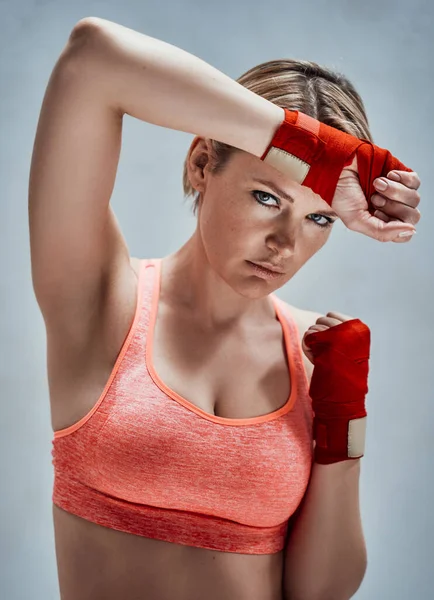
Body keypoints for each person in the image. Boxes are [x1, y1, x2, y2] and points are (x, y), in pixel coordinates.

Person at [28, 16, 421, 600]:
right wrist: (315, 152)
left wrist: (343, 421)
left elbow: (318, 592)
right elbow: (93, 59)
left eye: (319, 218)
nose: (286, 244)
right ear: (202, 164)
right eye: (268, 197)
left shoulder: (318, 352)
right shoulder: (101, 298)